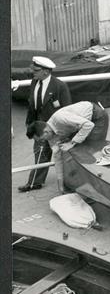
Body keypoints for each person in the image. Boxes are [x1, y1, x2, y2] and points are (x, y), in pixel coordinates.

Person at [29, 100, 109, 192]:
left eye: (42, 139)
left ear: (46, 132)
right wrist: (60, 184)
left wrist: (71, 143)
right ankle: (87, 181)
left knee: (92, 150)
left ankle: (99, 185)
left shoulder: (60, 119)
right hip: (81, 123)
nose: (43, 141)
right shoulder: (50, 136)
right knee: (78, 150)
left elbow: (88, 125)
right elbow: (57, 158)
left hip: (96, 116)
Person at [20, 56, 72, 192]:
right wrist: (29, 123)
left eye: (36, 70)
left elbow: (67, 109)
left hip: (55, 128)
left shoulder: (60, 86)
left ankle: (70, 182)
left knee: (62, 155)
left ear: (46, 72)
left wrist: (65, 131)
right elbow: (32, 104)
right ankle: (35, 183)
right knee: (40, 152)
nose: (33, 72)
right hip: (38, 126)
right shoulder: (34, 82)